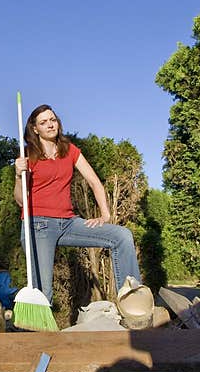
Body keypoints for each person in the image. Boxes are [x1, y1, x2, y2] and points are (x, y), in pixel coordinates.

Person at [13, 104, 141, 306]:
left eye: (52, 120)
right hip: (39, 225)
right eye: (43, 122)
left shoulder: (69, 150)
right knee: (42, 294)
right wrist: (18, 176)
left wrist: (105, 214)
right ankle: (37, 335)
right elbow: (21, 201)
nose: (50, 125)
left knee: (121, 236)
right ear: (35, 129)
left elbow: (94, 181)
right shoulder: (28, 156)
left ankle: (133, 303)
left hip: (69, 223)